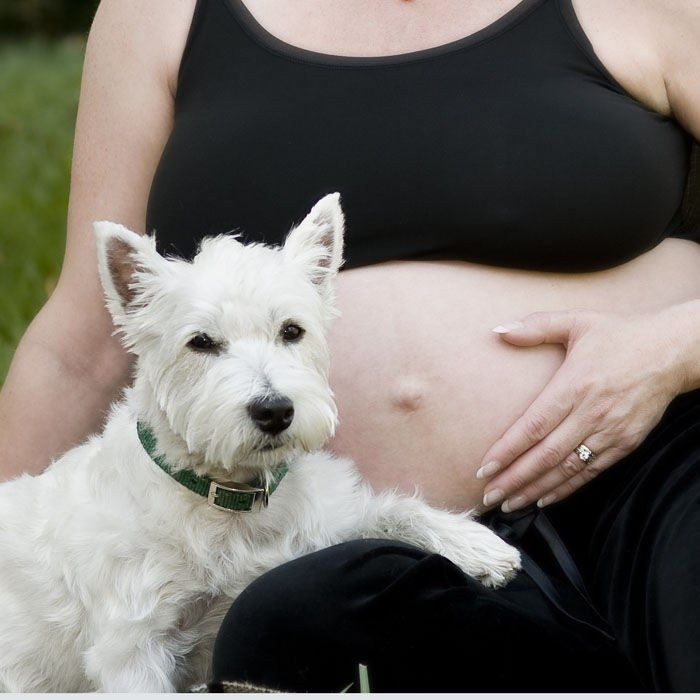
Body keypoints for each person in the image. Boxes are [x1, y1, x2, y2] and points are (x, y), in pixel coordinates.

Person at [1, 0, 699, 692]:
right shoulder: (161, 13)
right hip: (346, 544)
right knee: (280, 626)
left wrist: (668, 351)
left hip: (655, 463)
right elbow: (80, 347)